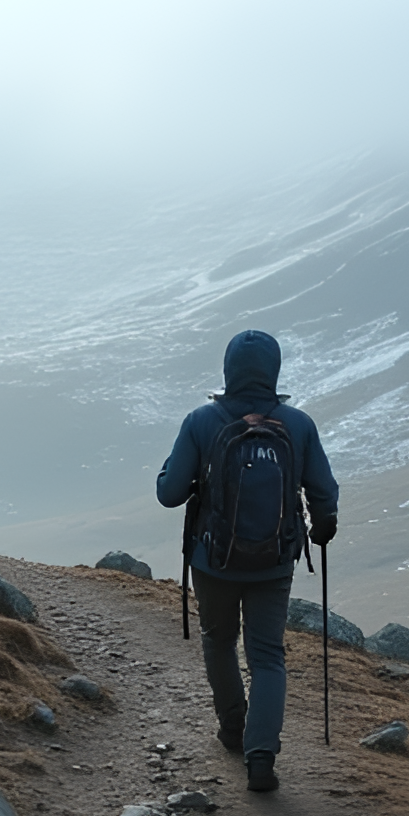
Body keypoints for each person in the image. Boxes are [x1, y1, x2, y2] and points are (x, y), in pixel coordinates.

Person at [156, 330, 338, 791]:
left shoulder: (201, 421)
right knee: (267, 657)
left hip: (213, 560)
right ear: (274, 371)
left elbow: (169, 494)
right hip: (275, 560)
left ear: (228, 369)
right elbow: (323, 491)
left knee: (218, 640)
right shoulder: (297, 424)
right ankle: (261, 759)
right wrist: (323, 524)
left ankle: (233, 729)